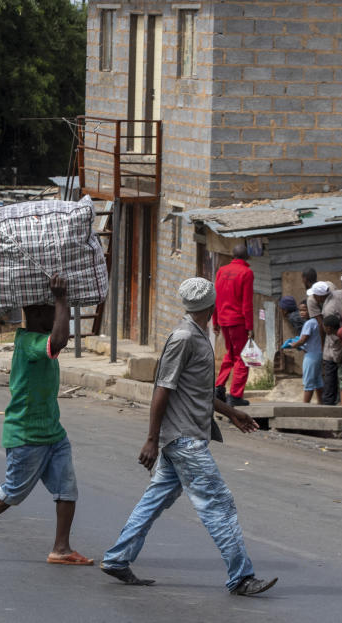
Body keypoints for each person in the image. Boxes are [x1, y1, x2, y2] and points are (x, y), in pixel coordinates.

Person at [100, 278, 277, 597]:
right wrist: (151, 439)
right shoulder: (184, 337)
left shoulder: (197, 335)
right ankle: (241, 577)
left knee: (156, 498)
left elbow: (195, 390)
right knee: (219, 503)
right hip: (184, 441)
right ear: (211, 306)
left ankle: (117, 558)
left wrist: (230, 412)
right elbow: (163, 388)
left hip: (182, 437)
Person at [0, 275, 93, 566]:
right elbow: (60, 340)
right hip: (26, 434)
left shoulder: (36, 339)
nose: (57, 314)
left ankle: (61, 549)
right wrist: (62, 298)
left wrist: (60, 301)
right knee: (13, 492)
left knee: (67, 488)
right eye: (51, 309)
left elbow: (59, 338)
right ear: (38, 313)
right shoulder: (30, 343)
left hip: (52, 431)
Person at [213, 245, 254, 407]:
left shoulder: (222, 270)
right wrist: (250, 326)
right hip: (238, 321)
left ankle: (219, 388)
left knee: (230, 355)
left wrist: (215, 320)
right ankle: (235, 395)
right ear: (247, 257)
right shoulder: (247, 273)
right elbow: (247, 303)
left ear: (232, 255)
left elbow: (215, 297)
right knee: (243, 358)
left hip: (223, 320)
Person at [307, 281, 342, 406]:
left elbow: (330, 332)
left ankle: (331, 402)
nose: (313, 298)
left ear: (320, 297)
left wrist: (336, 355)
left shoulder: (329, 309)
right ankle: (341, 400)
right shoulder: (339, 294)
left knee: (336, 371)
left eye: (315, 295)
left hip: (338, 339)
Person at [287, 302, 323, 404]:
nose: (302, 313)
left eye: (304, 310)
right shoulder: (317, 321)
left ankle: (305, 405)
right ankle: (321, 403)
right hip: (318, 353)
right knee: (318, 380)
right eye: (300, 310)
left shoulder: (309, 323)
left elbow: (303, 339)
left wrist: (293, 344)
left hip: (311, 355)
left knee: (308, 381)